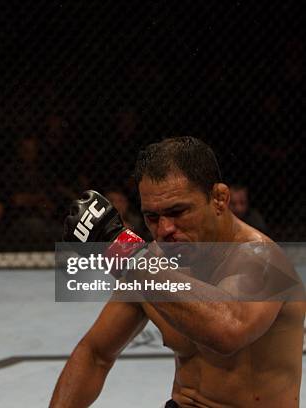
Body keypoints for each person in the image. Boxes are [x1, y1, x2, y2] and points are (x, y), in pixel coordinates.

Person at [51, 137, 304, 407]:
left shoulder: (263, 260)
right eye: (152, 217)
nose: (164, 230)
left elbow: (228, 329)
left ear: (219, 199)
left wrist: (124, 252)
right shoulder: (152, 264)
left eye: (178, 211)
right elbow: (95, 355)